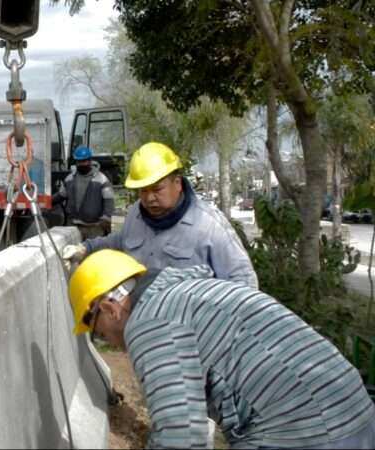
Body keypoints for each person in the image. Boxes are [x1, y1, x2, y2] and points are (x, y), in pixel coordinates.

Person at [70, 249, 375, 448]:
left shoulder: (151, 322)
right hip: (351, 410)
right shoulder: (184, 294)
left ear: (110, 308)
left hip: (307, 431)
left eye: (100, 334)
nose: (110, 343)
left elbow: (181, 435)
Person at [62, 142, 258, 288]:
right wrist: (84, 248)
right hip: (143, 329)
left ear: (178, 183)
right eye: (143, 191)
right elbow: (118, 241)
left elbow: (243, 281)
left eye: (157, 189)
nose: (149, 198)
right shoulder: (136, 215)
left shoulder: (208, 225)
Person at [52, 145, 114, 240]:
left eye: (84, 161)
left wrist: (106, 217)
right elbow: (61, 195)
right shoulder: (70, 179)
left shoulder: (101, 179)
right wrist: (47, 202)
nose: (82, 164)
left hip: (95, 228)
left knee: (94, 253)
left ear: (90, 161)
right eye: (79, 161)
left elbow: (109, 200)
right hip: (73, 226)